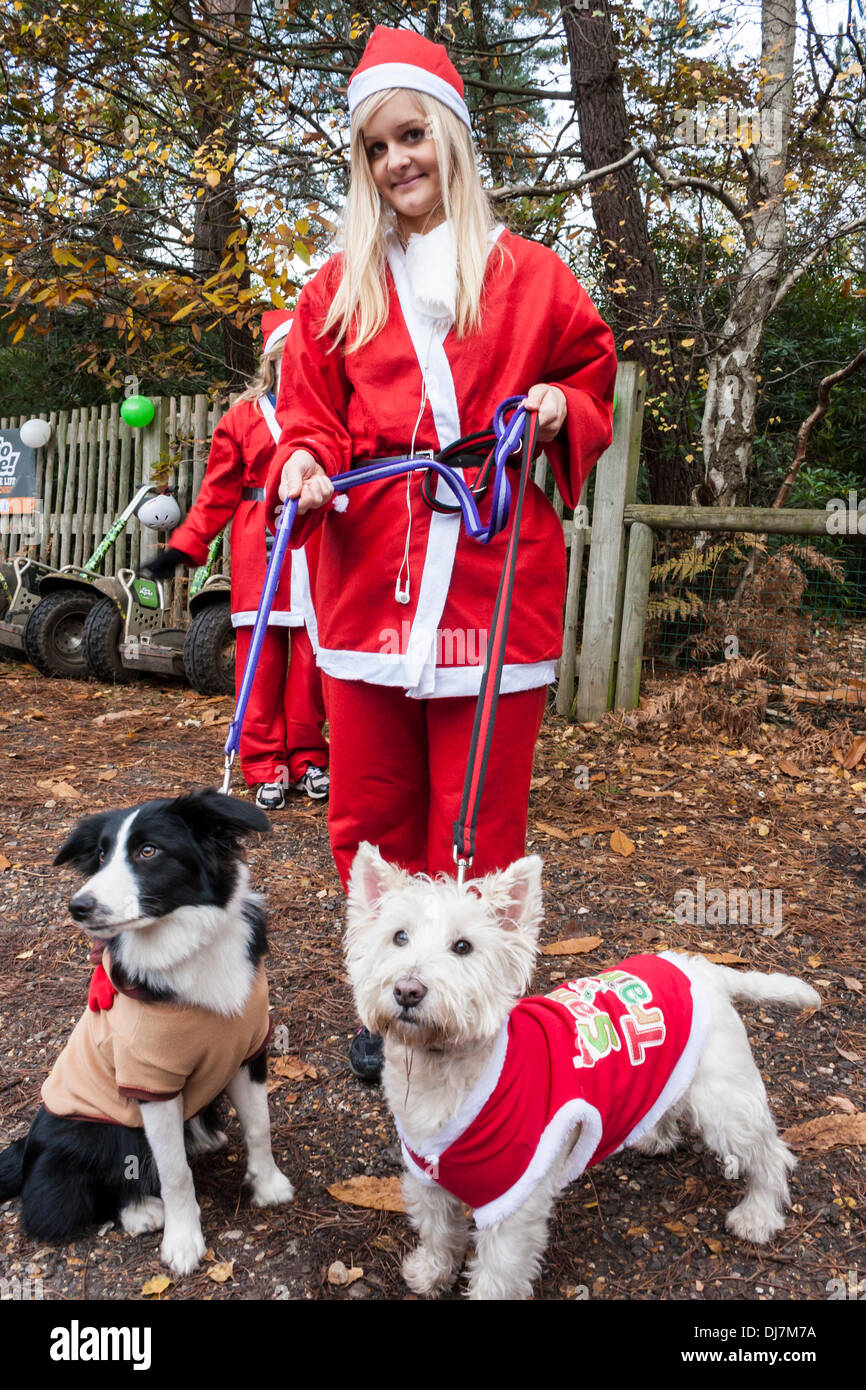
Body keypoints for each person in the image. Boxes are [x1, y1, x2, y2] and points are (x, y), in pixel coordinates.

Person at [265, 27, 617, 1077]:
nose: (395, 162)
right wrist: (301, 463)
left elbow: (589, 371)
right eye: (375, 147)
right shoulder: (334, 286)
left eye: (410, 135)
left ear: (450, 137)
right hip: (368, 576)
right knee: (371, 812)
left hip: (492, 575)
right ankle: (392, 996)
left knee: (475, 816)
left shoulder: (533, 276)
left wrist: (562, 402)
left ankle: (477, 1013)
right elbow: (308, 415)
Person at [146, 311, 329, 810]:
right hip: (259, 541)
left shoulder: (326, 411)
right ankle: (264, 762)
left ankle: (310, 757)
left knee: (312, 663)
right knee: (261, 661)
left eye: (305, 355)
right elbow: (217, 493)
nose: (297, 363)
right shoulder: (242, 416)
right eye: (287, 354)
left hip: (314, 542)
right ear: (271, 358)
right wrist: (186, 544)